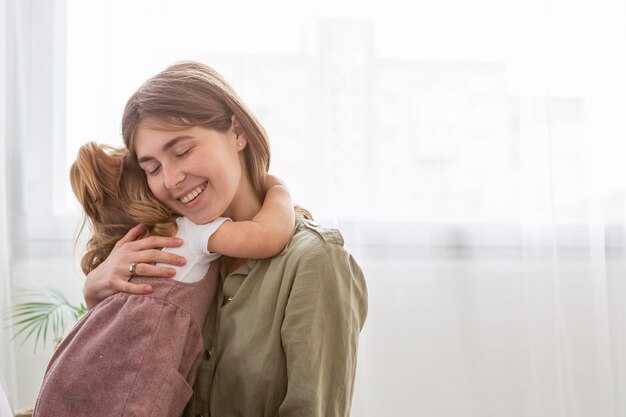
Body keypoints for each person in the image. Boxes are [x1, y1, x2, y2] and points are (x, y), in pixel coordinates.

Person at [83, 61, 369, 417]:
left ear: (237, 132)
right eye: (153, 168)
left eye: (182, 151)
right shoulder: (172, 255)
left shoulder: (315, 262)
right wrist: (96, 295)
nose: (171, 180)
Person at [33, 142, 294, 417]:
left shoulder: (123, 253)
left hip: (67, 381)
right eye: (153, 170)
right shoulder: (188, 232)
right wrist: (279, 190)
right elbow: (268, 237)